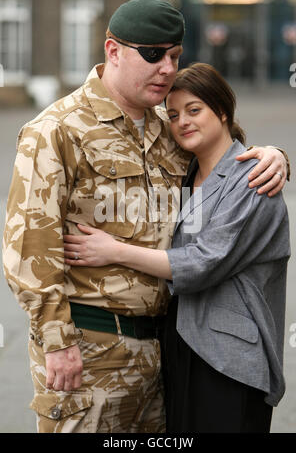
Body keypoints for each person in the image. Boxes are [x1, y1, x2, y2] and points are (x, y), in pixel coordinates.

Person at [2, 0, 288, 434]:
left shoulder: (166, 126)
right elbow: (28, 247)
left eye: (174, 55)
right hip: (90, 355)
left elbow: (223, 153)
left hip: (163, 356)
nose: (167, 69)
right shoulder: (57, 130)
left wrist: (275, 156)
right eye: (153, 55)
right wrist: (57, 343)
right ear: (113, 50)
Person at [63, 63, 290, 433]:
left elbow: (204, 262)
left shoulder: (252, 180)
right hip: (180, 345)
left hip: (230, 358)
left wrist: (115, 251)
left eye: (194, 110)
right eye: (173, 114)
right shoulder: (185, 174)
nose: (182, 121)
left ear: (222, 111)